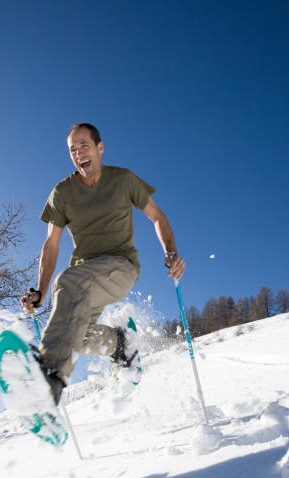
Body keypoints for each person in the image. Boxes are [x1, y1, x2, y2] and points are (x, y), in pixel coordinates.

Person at [21, 123, 185, 405]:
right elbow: (51, 243)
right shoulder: (62, 193)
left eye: (84, 145)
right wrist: (40, 291)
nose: (78, 153)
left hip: (121, 267)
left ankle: (49, 377)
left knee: (68, 281)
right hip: (84, 277)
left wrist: (171, 252)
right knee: (78, 336)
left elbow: (157, 216)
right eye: (73, 149)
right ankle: (120, 344)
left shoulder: (123, 180)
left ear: (100, 148)